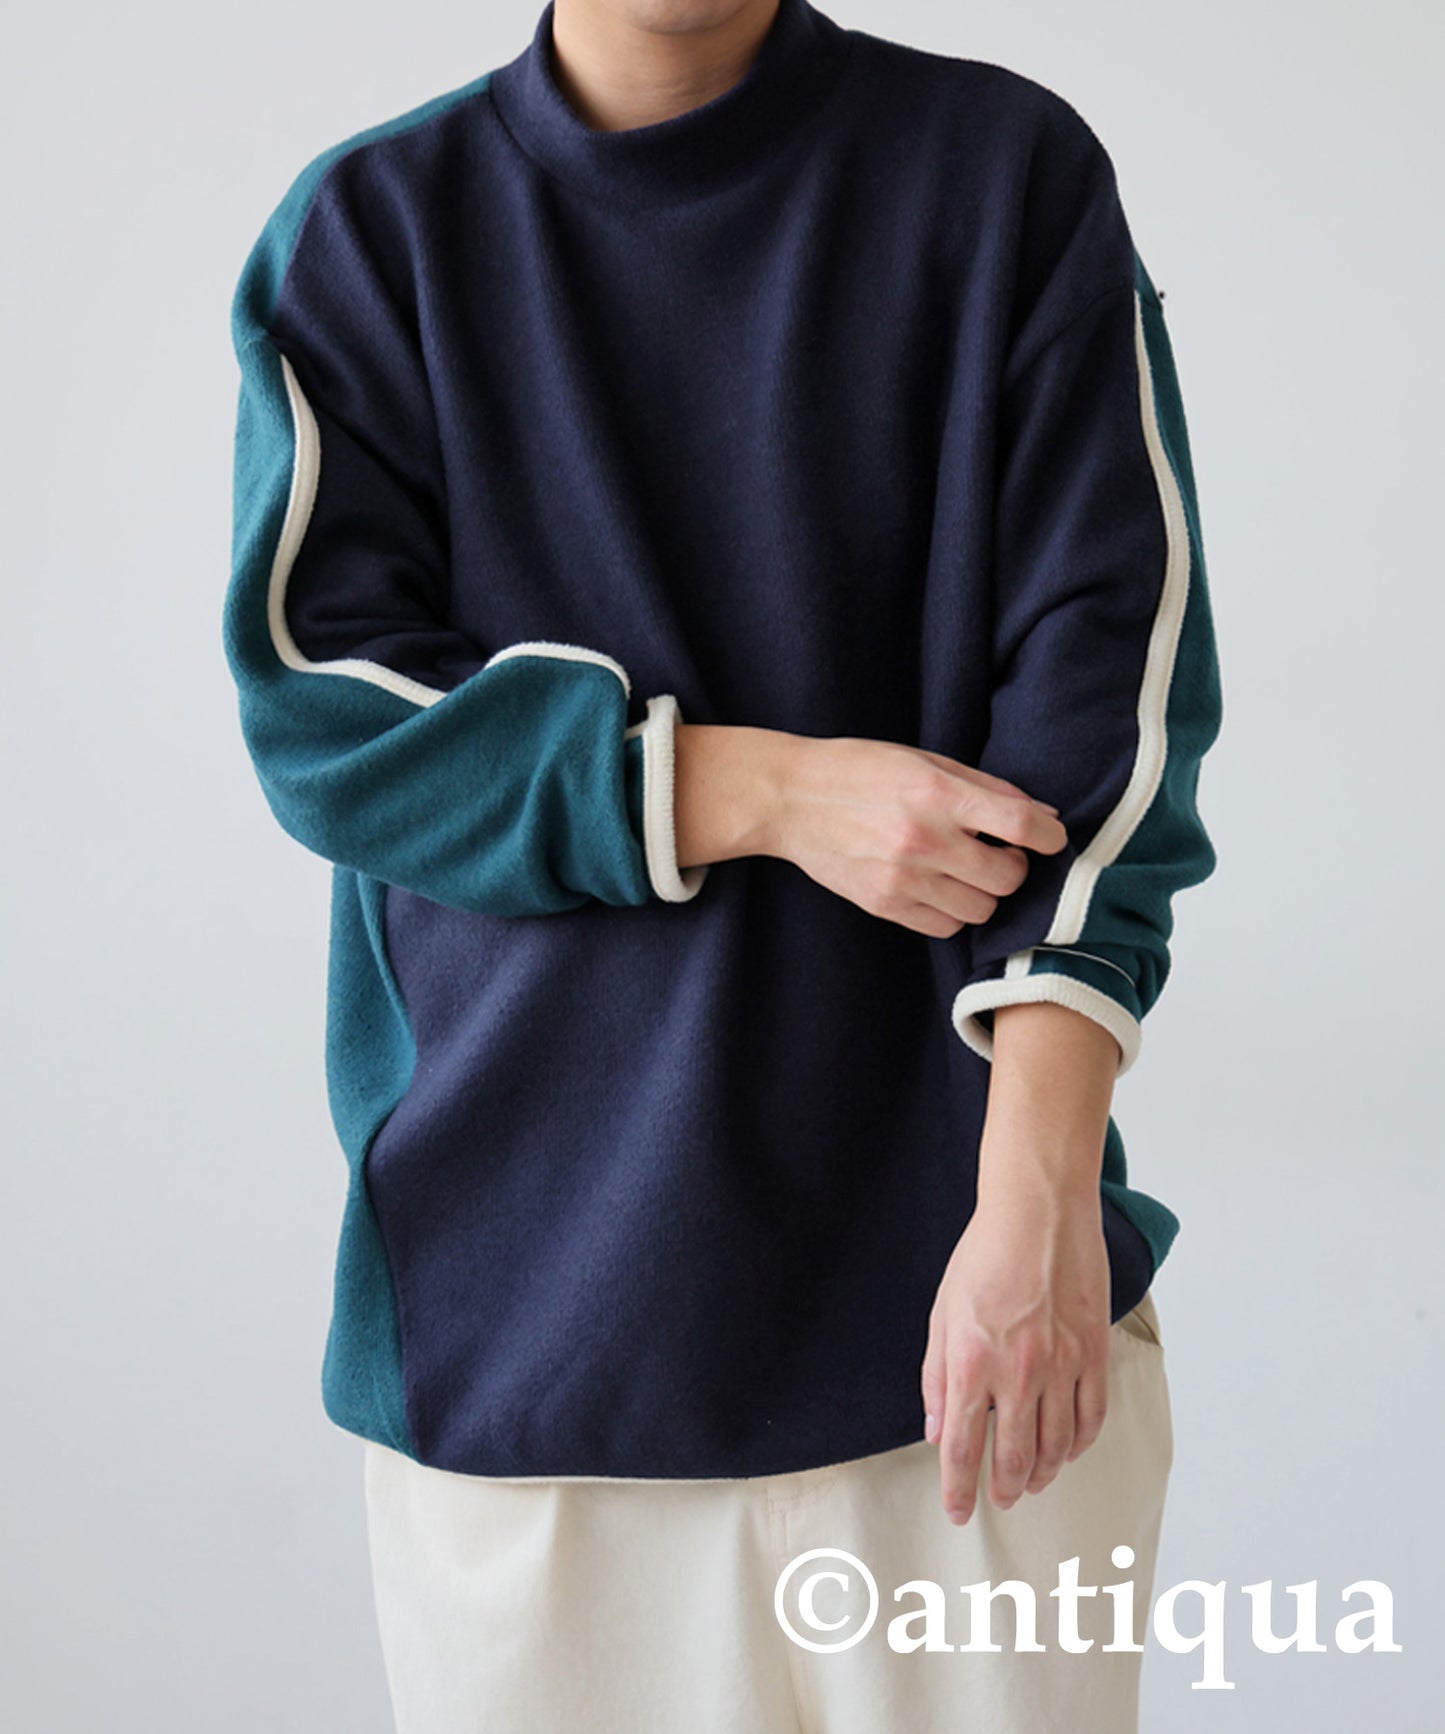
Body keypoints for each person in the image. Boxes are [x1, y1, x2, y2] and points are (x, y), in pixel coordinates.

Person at [222, 0, 1223, 1727]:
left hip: (967, 1341)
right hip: (524, 1353)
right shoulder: (375, 233)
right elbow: (323, 715)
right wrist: (753, 789)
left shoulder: (1002, 180)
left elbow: (1111, 724)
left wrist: (1035, 1203)